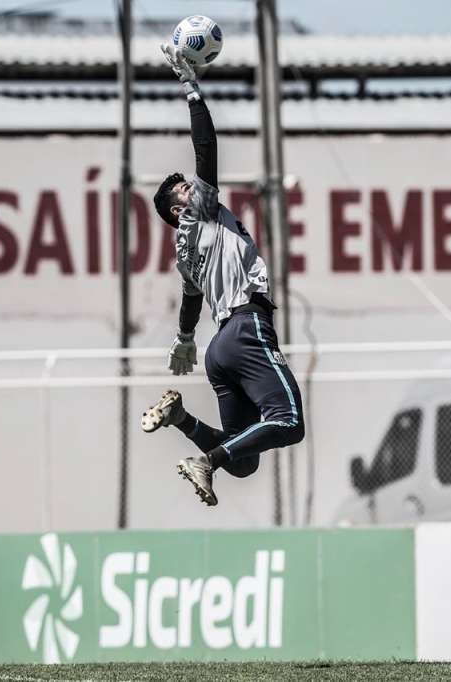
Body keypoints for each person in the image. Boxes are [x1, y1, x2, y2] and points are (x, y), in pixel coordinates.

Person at [139, 44, 304, 507]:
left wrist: (184, 338)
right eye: (186, 190)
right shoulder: (202, 213)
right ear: (179, 208)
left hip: (219, 350)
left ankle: (182, 421)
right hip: (247, 326)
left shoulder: (183, 248)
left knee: (245, 459)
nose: (196, 187)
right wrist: (191, 88)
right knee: (288, 421)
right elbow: (207, 149)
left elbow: (192, 296)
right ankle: (204, 462)